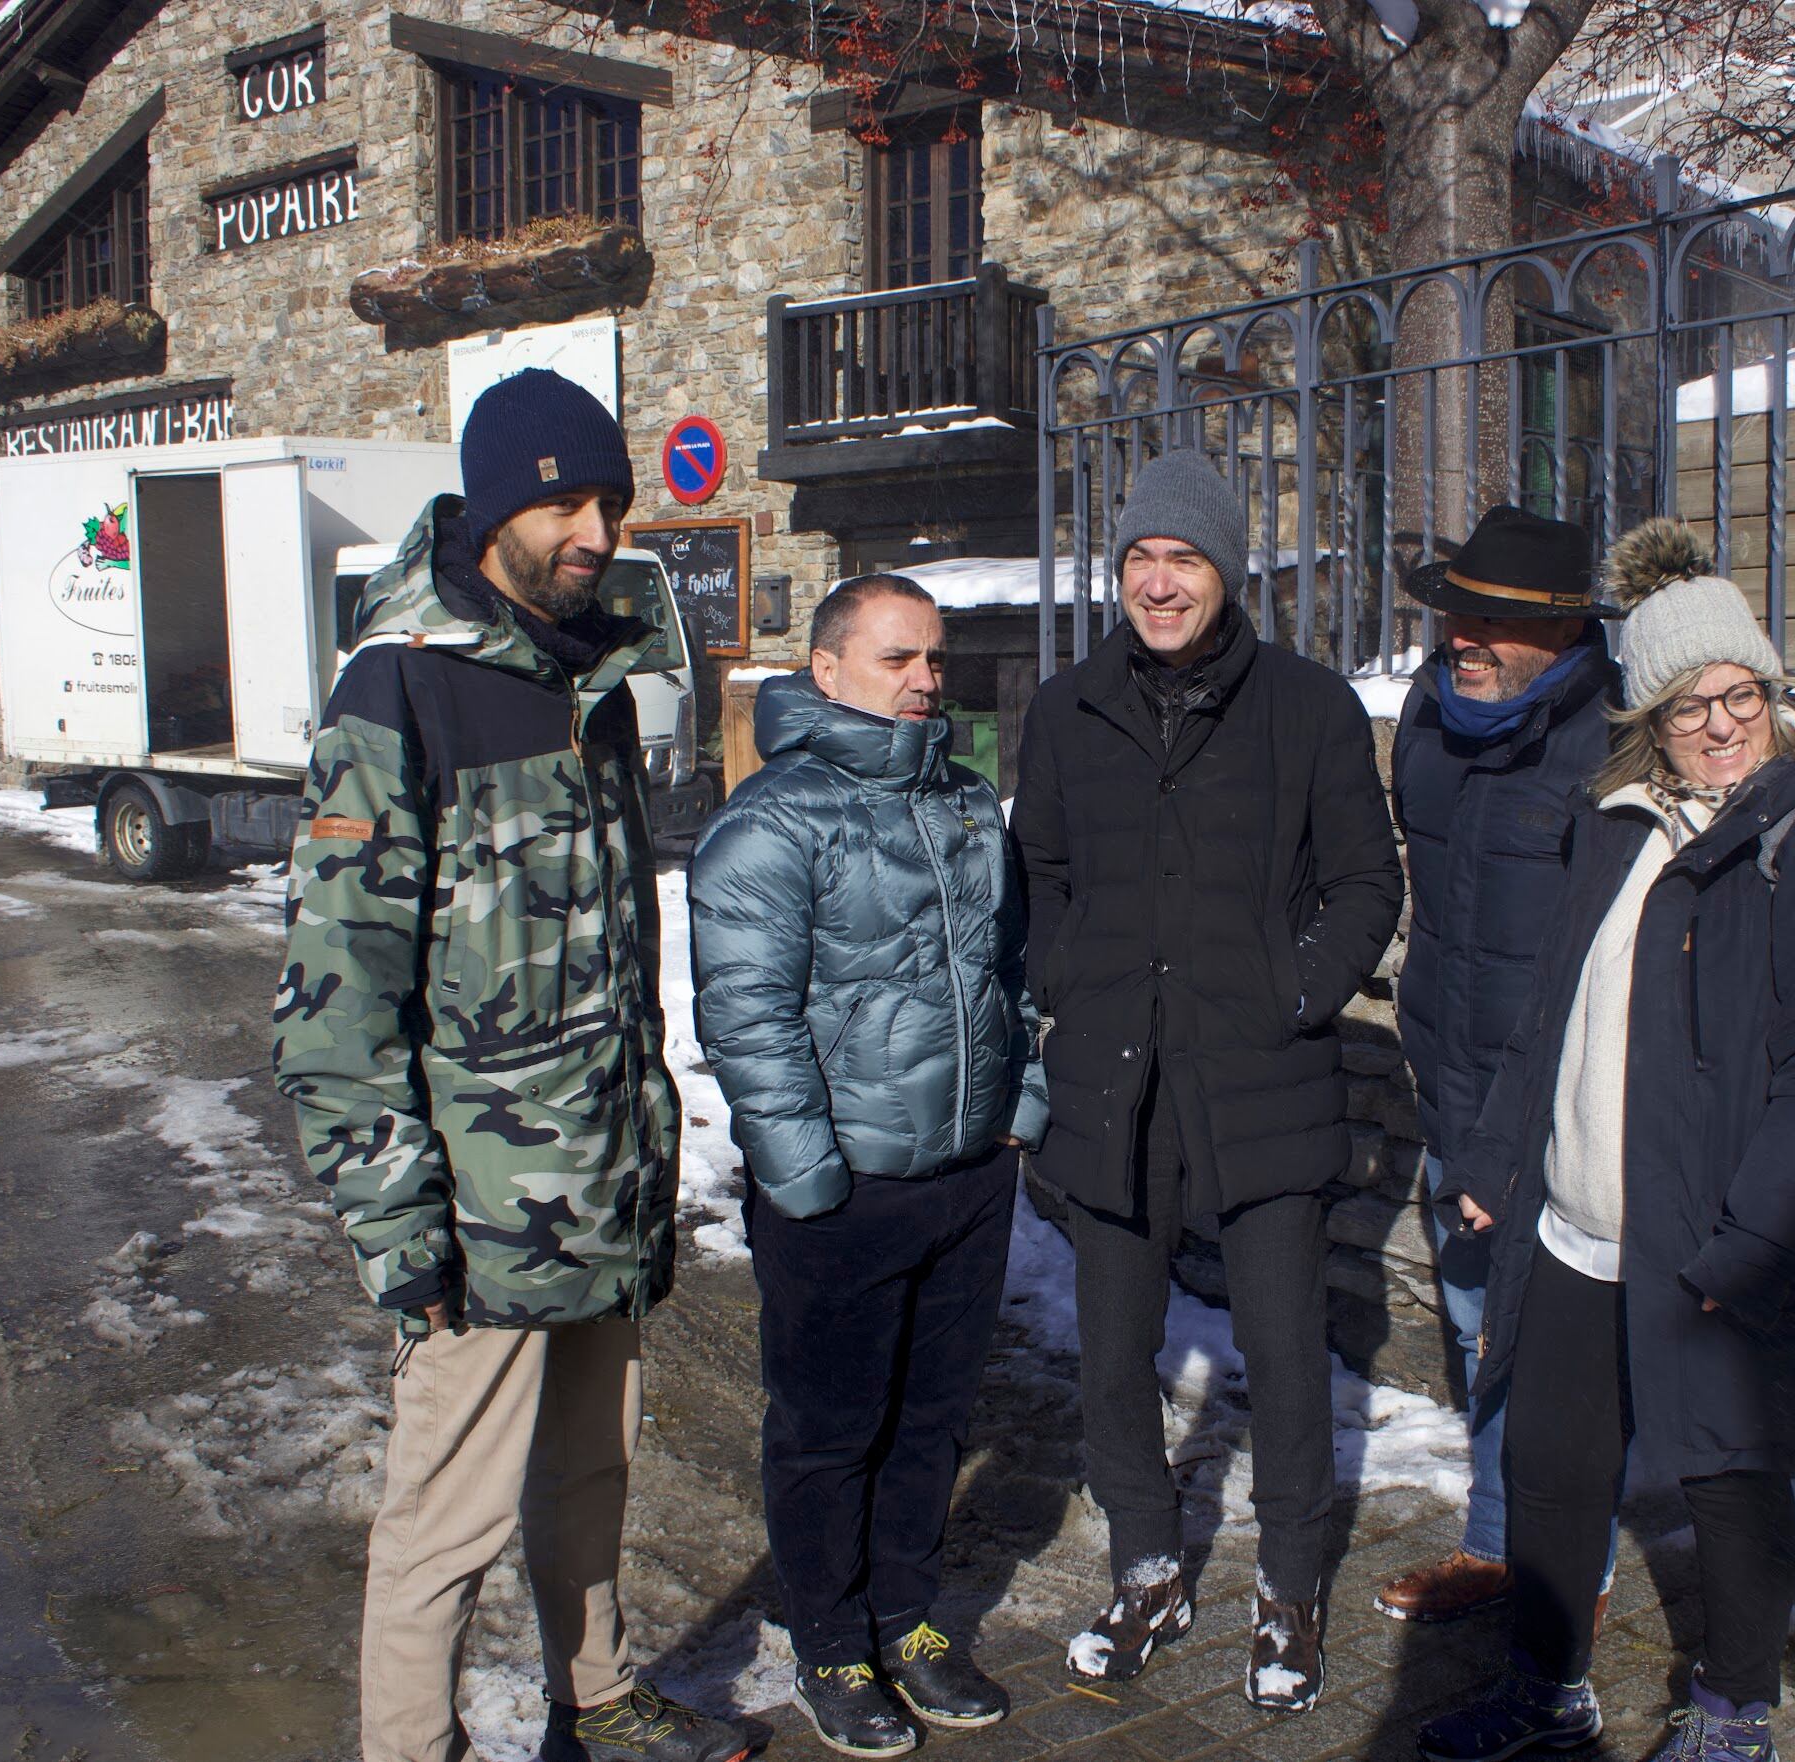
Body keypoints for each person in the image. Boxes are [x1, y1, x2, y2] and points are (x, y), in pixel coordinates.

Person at [273, 368, 745, 1762]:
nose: (596, 529)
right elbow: (333, 994)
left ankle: (592, 1702)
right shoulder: (402, 686)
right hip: (478, 1212)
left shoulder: (589, 678)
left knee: (590, 1470)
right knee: (443, 1519)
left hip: (601, 1175)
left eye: (609, 499)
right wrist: (394, 1217)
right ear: (494, 510)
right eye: (564, 500)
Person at [1417, 520, 1795, 1762]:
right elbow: (1549, 1014)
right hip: (1578, 1226)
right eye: (1686, 703)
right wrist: (1493, 1162)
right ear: (1645, 716)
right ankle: (1545, 1690)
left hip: (1712, 1245)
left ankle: (1732, 1714)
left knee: (1727, 1482)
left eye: (1738, 693)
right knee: (1549, 1470)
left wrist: (1755, 1244)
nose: (1717, 723)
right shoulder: (1614, 825)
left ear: (1773, 693)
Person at [1011, 451, 1403, 1714]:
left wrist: (1294, 994)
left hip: (1260, 1077)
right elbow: (1041, 877)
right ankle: (1145, 1562)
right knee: (1114, 1348)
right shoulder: (1068, 711)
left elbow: (1365, 884)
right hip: (1112, 1080)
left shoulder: (1307, 706)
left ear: (1226, 573)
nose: (1159, 583)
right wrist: (1067, 972)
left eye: (1183, 560)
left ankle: (1289, 1584)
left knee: (1285, 1353)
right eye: (1138, 560)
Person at [688, 574, 1046, 1759]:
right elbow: (747, 1016)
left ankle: (906, 1614)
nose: (926, 680)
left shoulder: (960, 803)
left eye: (934, 659)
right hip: (842, 1193)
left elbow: (1014, 968)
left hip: (964, 1175)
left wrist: (1016, 1109)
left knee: (934, 1416)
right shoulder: (771, 821)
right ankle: (828, 1642)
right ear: (827, 670)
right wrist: (804, 1177)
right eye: (898, 658)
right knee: (830, 1429)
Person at [1375, 505, 1625, 1629]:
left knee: (1563, 1347)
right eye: (1456, 612)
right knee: (1479, 1322)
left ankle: (1572, 1564)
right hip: (1450, 1075)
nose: (1461, 635)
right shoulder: (1430, 712)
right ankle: (1497, 1544)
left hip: (1562, 1102)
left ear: (1564, 631)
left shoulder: (1617, 735)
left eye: (1493, 621)